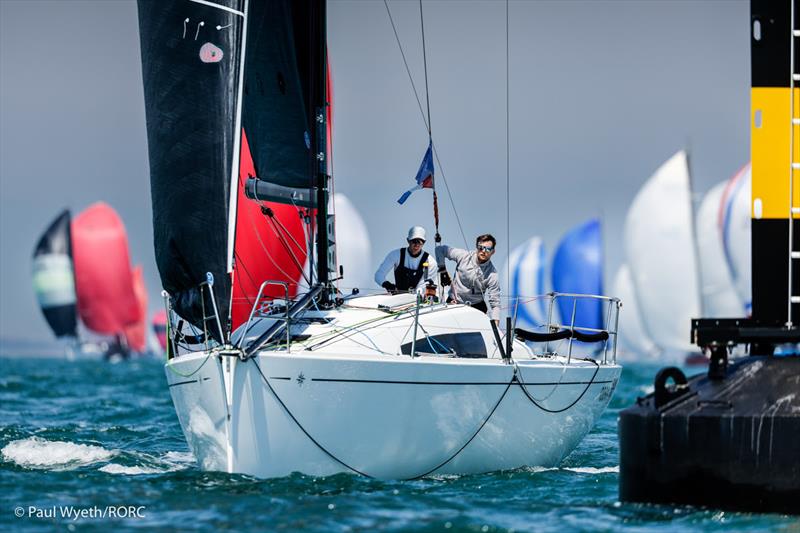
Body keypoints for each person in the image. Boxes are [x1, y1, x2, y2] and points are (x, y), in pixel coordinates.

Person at [436, 234, 501, 323]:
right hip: (454, 301)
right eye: (480, 247)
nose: (483, 251)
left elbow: (495, 302)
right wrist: (442, 270)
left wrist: (496, 321)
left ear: (493, 251)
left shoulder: (492, 274)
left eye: (488, 249)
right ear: (476, 247)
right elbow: (439, 250)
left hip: (477, 307)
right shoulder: (464, 256)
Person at [374, 226, 438, 293]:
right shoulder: (395, 255)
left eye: (420, 241)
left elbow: (425, 285)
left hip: (419, 298)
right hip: (398, 298)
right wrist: (388, 285)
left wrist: (417, 294)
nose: (416, 245)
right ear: (408, 240)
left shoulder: (431, 262)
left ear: (424, 242)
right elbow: (378, 275)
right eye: (414, 241)